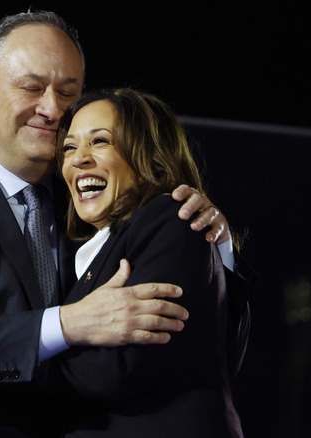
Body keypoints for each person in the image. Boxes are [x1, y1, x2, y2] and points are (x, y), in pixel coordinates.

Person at [0, 10, 248, 438]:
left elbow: (188, 357)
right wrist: (68, 323)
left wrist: (214, 251)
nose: (52, 109)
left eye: (69, 92)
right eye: (31, 87)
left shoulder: (102, 208)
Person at [55, 88, 243, 436]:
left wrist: (10, 342)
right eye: (69, 147)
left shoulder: (172, 219)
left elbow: (113, 370)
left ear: (148, 157)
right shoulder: (88, 250)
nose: (78, 158)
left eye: (100, 141)